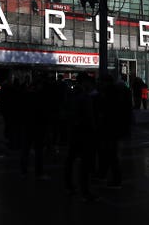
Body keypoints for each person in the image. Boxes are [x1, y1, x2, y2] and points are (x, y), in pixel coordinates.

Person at [64, 72, 99, 202]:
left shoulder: (71, 94)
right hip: (84, 133)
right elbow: (89, 117)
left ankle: (69, 186)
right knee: (84, 163)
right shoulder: (85, 97)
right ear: (85, 82)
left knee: (71, 159)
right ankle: (84, 191)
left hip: (73, 131)